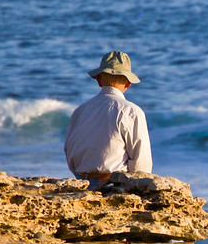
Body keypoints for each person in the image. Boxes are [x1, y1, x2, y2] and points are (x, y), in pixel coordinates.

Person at [64, 51, 152, 190]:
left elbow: (70, 152)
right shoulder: (131, 111)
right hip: (115, 185)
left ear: (98, 80)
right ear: (128, 84)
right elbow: (141, 161)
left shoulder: (80, 110)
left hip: (81, 184)